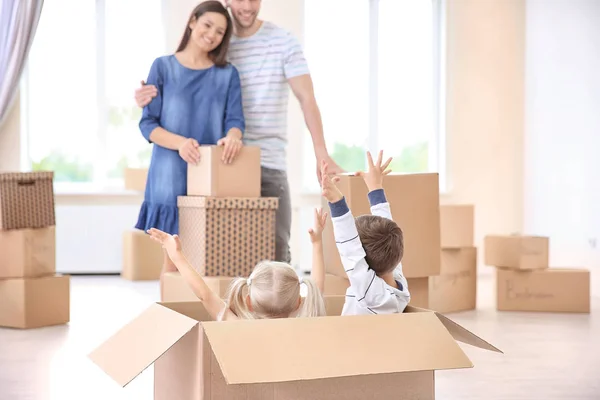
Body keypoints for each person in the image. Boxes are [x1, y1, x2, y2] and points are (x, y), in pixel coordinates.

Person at [135, 0, 344, 264]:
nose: (247, 6)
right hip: (212, 168)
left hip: (261, 161)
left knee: (273, 251)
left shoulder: (278, 43)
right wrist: (144, 95)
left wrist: (321, 152)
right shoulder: (203, 48)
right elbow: (157, 112)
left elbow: (306, 98)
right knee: (211, 258)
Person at [135, 1, 245, 299]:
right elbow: (148, 125)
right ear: (193, 21)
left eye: (220, 32)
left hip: (208, 177)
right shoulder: (163, 66)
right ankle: (171, 322)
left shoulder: (227, 74)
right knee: (173, 261)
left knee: (208, 265)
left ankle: (203, 323)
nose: (212, 34)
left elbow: (235, 121)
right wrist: (181, 143)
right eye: (207, 25)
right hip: (169, 174)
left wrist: (233, 137)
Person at [146, 206, 328, 320]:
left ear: (248, 302)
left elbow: (204, 295)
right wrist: (317, 243)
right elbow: (317, 288)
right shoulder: (305, 318)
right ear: (298, 302)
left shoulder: (239, 326)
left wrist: (176, 255)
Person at [321, 151, 410, 316]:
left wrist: (336, 202)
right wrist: (376, 187)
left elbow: (350, 250)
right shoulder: (397, 281)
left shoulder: (373, 295)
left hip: (352, 339)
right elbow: (386, 229)